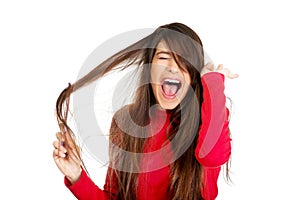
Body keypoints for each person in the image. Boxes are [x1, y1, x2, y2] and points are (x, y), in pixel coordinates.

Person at [52, 22, 238, 200]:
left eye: (183, 60)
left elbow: (214, 157)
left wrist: (212, 83)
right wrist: (76, 176)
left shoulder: (209, 116)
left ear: (193, 76)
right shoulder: (124, 122)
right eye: (163, 58)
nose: (173, 67)